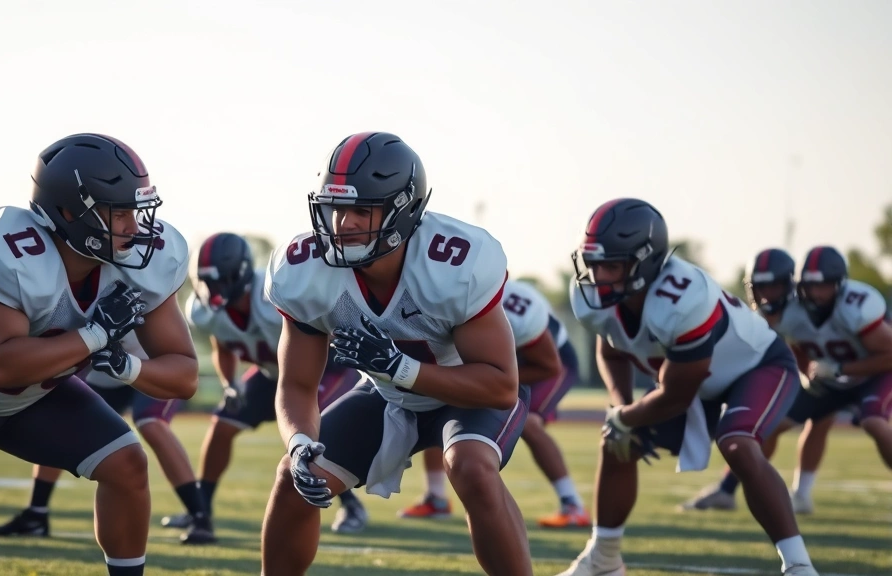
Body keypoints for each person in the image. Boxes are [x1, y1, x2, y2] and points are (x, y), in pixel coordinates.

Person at [0, 133, 198, 576]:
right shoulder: (8, 248)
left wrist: (127, 365)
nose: (134, 227)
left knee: (126, 464)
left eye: (134, 211)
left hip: (32, 395)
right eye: (118, 213)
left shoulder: (146, 259)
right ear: (69, 213)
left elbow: (184, 375)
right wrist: (98, 335)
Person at [259, 132, 533, 576]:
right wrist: (300, 443)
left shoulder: (453, 264)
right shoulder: (305, 271)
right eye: (335, 208)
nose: (343, 223)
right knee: (294, 478)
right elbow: (296, 385)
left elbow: (501, 386)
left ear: (405, 213)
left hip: (468, 396)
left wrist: (401, 367)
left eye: (361, 211)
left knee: (471, 468)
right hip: (389, 396)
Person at [557, 198, 816, 576]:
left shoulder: (682, 299)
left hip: (758, 366)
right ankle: (604, 559)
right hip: (697, 383)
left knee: (737, 442)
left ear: (645, 260)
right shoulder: (593, 297)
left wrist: (627, 416)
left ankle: (798, 565)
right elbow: (611, 348)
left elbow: (677, 394)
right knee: (615, 443)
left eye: (611, 265)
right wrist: (621, 408)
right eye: (594, 264)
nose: (598, 277)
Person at [158, 232, 367, 535]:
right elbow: (224, 346)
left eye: (217, 281)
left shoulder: (271, 295)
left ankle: (351, 505)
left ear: (239, 273)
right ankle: (199, 509)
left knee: (312, 435)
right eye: (204, 282)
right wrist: (230, 383)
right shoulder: (204, 311)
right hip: (272, 374)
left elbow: (323, 334)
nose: (209, 290)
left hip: (322, 369)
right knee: (221, 427)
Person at [683, 246, 892, 515]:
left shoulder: (856, 307)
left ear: (839, 284)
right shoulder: (789, 309)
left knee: (873, 421)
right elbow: (797, 341)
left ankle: (793, 493)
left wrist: (841, 367)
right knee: (769, 424)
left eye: (825, 286)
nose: (816, 293)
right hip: (829, 377)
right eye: (811, 285)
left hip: (873, 374)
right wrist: (808, 373)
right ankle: (730, 491)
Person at [0, 330, 215, 545]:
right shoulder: (60, 296)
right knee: (61, 417)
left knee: (151, 423)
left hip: (149, 365)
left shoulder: (144, 291)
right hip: (101, 374)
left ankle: (200, 516)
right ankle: (36, 513)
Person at [397, 278, 589, 528]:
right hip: (495, 364)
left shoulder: (515, 303)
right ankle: (436, 497)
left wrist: (488, 381)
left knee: (529, 423)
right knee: (438, 401)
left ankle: (572, 503)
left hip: (545, 364)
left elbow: (548, 365)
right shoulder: (444, 294)